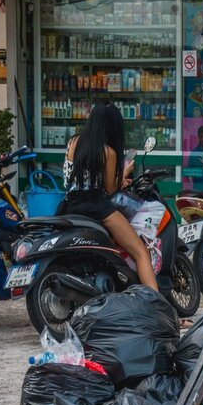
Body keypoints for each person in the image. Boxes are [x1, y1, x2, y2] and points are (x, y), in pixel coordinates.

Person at [61, 103, 159, 292]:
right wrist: (125, 172)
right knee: (141, 253)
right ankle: (156, 304)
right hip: (96, 207)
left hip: (69, 205)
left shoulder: (73, 142)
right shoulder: (108, 152)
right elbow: (110, 189)